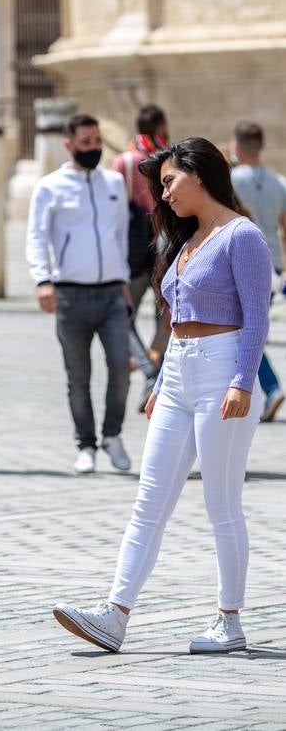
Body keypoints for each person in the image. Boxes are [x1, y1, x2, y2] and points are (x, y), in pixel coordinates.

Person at [52, 138, 272, 655]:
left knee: (221, 503)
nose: (164, 194)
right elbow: (176, 324)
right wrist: (161, 382)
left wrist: (242, 381)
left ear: (199, 174)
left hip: (225, 373)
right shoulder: (185, 239)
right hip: (179, 378)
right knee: (149, 501)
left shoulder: (243, 237)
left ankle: (230, 621)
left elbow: (257, 318)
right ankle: (115, 614)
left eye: (169, 181)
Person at [26, 113, 133, 475]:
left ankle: (112, 434)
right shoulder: (50, 187)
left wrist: (123, 281)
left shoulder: (115, 182)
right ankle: (85, 444)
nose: (93, 148)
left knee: (121, 366)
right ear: (69, 145)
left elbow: (119, 235)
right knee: (79, 375)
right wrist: (43, 280)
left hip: (112, 296)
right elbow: (37, 236)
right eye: (85, 142)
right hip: (70, 295)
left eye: (97, 141)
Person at [112, 105, 172, 412]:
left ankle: (151, 375)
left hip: (132, 249)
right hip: (163, 246)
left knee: (123, 317)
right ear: (160, 126)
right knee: (164, 316)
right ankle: (154, 374)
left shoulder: (124, 161)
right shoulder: (168, 160)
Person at [231, 120, 286, 422]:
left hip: (242, 260)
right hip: (273, 263)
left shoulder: (229, 180)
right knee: (253, 327)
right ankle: (267, 387)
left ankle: (270, 386)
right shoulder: (280, 182)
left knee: (243, 330)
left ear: (236, 145)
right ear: (262, 146)